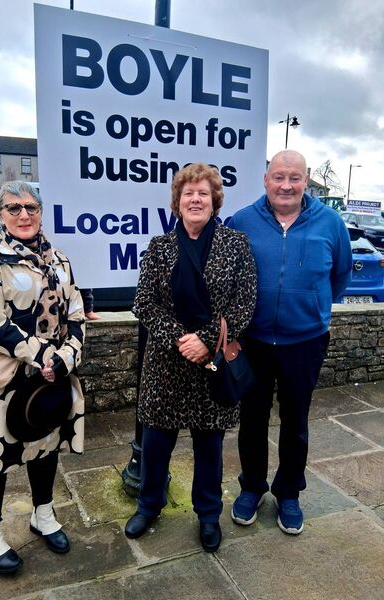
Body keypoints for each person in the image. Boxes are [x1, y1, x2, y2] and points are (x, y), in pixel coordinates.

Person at [0, 181, 86, 574]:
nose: (23, 215)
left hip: (47, 378)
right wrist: (42, 355)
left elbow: (75, 313)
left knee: (45, 446)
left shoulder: (59, 258)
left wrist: (66, 357)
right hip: (0, 378)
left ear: (41, 211)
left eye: (30, 207)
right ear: (2, 214)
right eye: (13, 208)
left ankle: (42, 515)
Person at [124, 163, 257, 552]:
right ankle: (148, 506)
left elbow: (244, 304)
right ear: (177, 202)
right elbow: (143, 303)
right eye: (188, 193)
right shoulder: (160, 247)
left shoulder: (236, 245)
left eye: (203, 193)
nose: (195, 199)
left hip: (211, 365)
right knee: (156, 444)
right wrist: (182, 339)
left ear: (215, 200)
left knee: (209, 448)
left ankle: (209, 514)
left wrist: (203, 341)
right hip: (165, 364)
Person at [227, 150, 352, 535]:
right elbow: (229, 279)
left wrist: (310, 308)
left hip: (306, 341)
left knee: (295, 420)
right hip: (255, 341)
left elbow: (340, 277)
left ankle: (289, 493)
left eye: (294, 178)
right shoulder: (242, 221)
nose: (286, 185)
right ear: (265, 180)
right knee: (252, 419)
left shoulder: (331, 223)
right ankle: (252, 487)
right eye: (278, 177)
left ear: (306, 180)